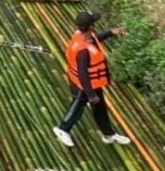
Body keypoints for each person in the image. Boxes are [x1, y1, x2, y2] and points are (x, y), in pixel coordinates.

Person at [53, 11, 131, 148]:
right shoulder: (82, 51)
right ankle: (62, 129)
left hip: (93, 83)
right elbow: (83, 74)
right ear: (90, 27)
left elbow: (96, 39)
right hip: (83, 84)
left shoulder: (84, 36)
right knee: (77, 106)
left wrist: (112, 32)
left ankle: (108, 134)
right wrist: (90, 94)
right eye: (93, 23)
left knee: (100, 107)